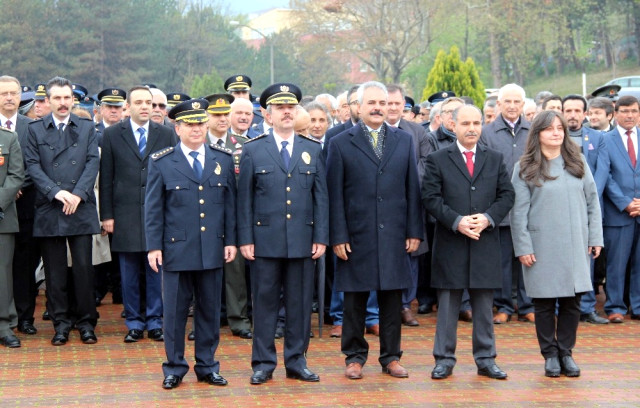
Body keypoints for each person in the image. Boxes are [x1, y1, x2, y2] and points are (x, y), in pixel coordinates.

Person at [327, 81, 423, 380]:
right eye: (371, 103)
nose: (378, 107)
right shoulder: (341, 142)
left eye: (383, 102)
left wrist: (413, 230)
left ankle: (391, 357)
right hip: (356, 235)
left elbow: (412, 189)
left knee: (392, 299)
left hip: (394, 233)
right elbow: (334, 194)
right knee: (354, 300)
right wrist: (338, 235)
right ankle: (354, 357)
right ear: (358, 106)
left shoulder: (404, 140)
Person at [237, 83, 329, 385]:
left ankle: (296, 360)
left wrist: (321, 236)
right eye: (279, 108)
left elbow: (321, 198)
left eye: (291, 107)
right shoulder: (252, 150)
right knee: (264, 305)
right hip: (264, 241)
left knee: (300, 304)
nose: (287, 112)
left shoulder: (312, 149)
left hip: (303, 241)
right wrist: (246, 239)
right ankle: (263, 363)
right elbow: (245, 199)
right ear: (268, 114)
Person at [145, 98, 236, 389]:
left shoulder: (221, 158)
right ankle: (174, 367)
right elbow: (153, 208)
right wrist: (154, 246)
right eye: (189, 124)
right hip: (176, 248)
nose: (196, 129)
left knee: (209, 311)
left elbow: (229, 207)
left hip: (212, 247)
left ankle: (208, 366)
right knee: (174, 313)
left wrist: (231, 241)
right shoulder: (162, 161)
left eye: (200, 123)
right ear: (178, 127)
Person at [423, 104, 514, 381]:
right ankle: (444, 359)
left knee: (484, 307)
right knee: (449, 305)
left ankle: (486, 359)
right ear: (453, 125)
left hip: (484, 241)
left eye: (476, 123)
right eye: (466, 123)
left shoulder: (495, 158)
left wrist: (488, 218)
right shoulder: (438, 158)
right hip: (451, 242)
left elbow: (507, 195)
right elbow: (430, 197)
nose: (472, 128)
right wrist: (456, 221)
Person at [511, 110, 603, 377]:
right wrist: (524, 247)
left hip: (576, 244)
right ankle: (549, 354)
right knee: (544, 303)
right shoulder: (525, 167)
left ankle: (566, 352)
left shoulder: (578, 162)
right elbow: (518, 212)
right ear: (537, 133)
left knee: (572, 301)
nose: (556, 133)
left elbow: (592, 203)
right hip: (541, 245)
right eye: (550, 128)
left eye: (560, 128)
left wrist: (596, 237)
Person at [24, 76, 100, 346]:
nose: (63, 102)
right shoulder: (34, 130)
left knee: (83, 269)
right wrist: (57, 192)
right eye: (57, 98)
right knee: (54, 272)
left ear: (72, 99)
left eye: (67, 97)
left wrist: (77, 194)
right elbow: (32, 166)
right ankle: (61, 324)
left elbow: (92, 162)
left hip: (80, 205)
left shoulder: (87, 127)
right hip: (50, 206)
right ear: (47, 101)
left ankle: (87, 322)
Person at [100, 86, 176, 343]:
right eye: (140, 102)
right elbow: (107, 177)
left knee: (156, 270)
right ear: (128, 107)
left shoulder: (166, 134)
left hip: (157, 213)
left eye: (150, 103)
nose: (146, 107)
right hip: (125, 214)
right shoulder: (112, 134)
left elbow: (173, 175)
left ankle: (155, 321)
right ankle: (133, 322)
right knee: (128, 272)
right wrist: (107, 215)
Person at [479, 83, 534, 324]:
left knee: (527, 258)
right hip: (499, 206)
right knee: (501, 261)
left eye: (517, 102)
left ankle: (527, 304)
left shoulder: (533, 131)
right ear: (498, 105)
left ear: (523, 105)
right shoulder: (487, 133)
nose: (512, 106)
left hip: (529, 207)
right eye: (507, 102)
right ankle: (503, 306)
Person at [562, 95, 610, 324]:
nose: (572, 114)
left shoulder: (598, 138)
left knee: (589, 257)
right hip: (560, 207)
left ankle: (588, 307)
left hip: (588, 206)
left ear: (585, 114)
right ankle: (560, 306)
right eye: (568, 110)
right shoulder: (554, 137)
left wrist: (587, 195)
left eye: (576, 110)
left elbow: (602, 171)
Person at [602, 95, 640, 323]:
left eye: (634, 111)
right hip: (618, 213)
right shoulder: (605, 140)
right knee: (616, 263)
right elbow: (605, 176)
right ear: (615, 113)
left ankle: (637, 305)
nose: (629, 115)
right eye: (624, 111)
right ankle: (614, 306)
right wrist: (625, 203)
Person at [0, 125, 25, 348]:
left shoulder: (8, 137)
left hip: (2, 215)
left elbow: (16, 174)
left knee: (2, 273)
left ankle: (4, 325)